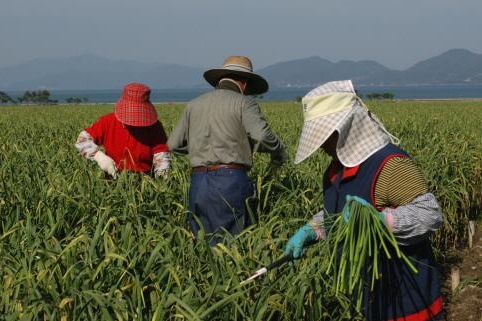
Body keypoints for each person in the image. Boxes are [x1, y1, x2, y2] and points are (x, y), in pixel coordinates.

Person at [284, 80, 444, 320]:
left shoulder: (390, 165)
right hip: (368, 300)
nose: (321, 146)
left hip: (406, 303)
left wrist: (380, 221)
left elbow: (430, 214)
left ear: (347, 128)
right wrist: (314, 229)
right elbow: (340, 216)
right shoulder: (335, 171)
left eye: (326, 135)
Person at [168, 55, 288, 241]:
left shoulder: (194, 104)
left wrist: (199, 148)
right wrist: (279, 150)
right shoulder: (244, 102)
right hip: (230, 181)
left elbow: (173, 145)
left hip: (198, 181)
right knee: (233, 243)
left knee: (201, 243)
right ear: (245, 83)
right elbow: (262, 136)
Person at [75, 82, 171, 178]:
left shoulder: (155, 127)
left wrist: (162, 179)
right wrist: (99, 156)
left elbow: (161, 156)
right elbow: (82, 140)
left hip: (145, 179)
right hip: (113, 176)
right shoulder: (108, 121)